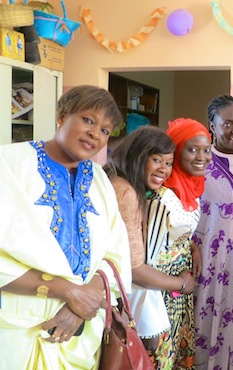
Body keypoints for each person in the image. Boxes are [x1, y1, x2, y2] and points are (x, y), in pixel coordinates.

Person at [0, 85, 131, 369]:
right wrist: (67, 292)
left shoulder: (99, 180)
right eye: (88, 120)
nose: (96, 134)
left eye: (106, 131)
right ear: (61, 115)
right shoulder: (9, 164)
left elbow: (117, 256)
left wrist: (79, 307)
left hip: (79, 335)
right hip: (15, 329)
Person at [106, 125, 197, 369]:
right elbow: (135, 269)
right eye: (156, 160)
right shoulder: (126, 191)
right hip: (130, 302)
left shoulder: (132, 186)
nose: (163, 170)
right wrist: (183, 284)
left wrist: (191, 247)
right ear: (137, 155)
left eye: (168, 163)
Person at [192, 95, 233, 369]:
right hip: (210, 261)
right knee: (209, 317)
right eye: (227, 123)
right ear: (212, 125)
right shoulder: (199, 159)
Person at [156, 118, 212, 370]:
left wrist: (192, 246)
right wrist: (178, 283)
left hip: (179, 292)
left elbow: (176, 233)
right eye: (192, 149)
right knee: (158, 357)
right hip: (158, 292)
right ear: (176, 150)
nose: (202, 157)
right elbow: (147, 252)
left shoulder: (190, 189)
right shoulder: (161, 195)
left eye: (206, 149)